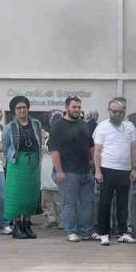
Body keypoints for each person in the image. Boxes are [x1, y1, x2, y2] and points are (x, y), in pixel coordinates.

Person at [93, 97, 136, 246]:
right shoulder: (102, 127)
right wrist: (98, 171)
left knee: (123, 204)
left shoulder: (130, 127)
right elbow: (97, 151)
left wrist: (134, 168)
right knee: (105, 203)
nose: (117, 114)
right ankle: (104, 233)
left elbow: (134, 149)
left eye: (120, 112)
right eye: (114, 111)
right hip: (107, 169)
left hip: (125, 170)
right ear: (109, 111)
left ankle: (123, 232)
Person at [49, 96, 95, 242]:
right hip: (67, 172)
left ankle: (86, 231)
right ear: (67, 107)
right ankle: (71, 231)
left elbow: (91, 145)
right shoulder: (58, 126)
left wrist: (94, 161)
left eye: (79, 107)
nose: (77, 110)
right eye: (74, 107)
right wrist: (59, 170)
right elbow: (54, 150)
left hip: (85, 171)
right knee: (69, 203)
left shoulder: (84, 124)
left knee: (87, 203)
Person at [4, 95, 44, 240]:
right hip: (17, 162)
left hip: (33, 162)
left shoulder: (36, 124)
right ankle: (17, 226)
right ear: (14, 111)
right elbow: (6, 146)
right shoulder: (9, 127)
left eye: (24, 107)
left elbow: (39, 140)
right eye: (19, 108)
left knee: (30, 195)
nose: (22, 110)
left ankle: (26, 224)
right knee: (16, 195)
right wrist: (13, 158)